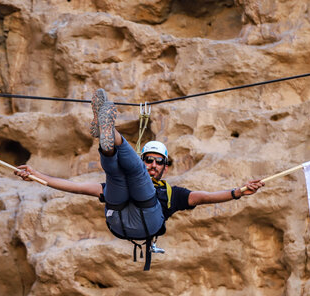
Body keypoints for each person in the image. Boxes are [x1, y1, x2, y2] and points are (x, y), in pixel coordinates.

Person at [15, 89, 264, 270]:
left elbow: (206, 197)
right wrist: (38, 175)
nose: (154, 165)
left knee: (135, 174)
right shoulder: (139, 179)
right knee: (115, 173)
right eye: (150, 160)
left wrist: (239, 191)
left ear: (165, 167)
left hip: (146, 217)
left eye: (158, 162)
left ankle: (108, 130)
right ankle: (108, 133)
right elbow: (77, 188)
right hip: (120, 212)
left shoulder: (173, 194)